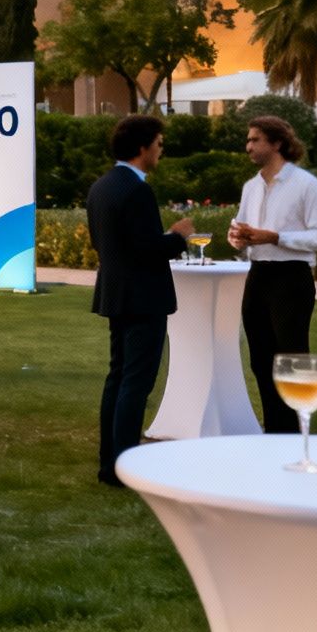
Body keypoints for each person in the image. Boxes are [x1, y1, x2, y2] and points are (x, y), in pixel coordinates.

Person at [89, 115, 194, 488]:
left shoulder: (101, 187)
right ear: (142, 148)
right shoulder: (137, 190)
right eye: (159, 144)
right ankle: (124, 466)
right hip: (143, 296)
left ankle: (110, 462)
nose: (160, 151)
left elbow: (107, 243)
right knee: (135, 382)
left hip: (116, 292)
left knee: (117, 377)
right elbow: (148, 248)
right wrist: (178, 237)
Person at [228, 115, 317, 433]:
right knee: (260, 359)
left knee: (291, 358)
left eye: (255, 139)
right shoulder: (251, 187)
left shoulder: (308, 186)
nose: (248, 146)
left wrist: (276, 237)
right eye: (248, 140)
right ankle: (274, 429)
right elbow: (241, 227)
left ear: (276, 143)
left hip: (291, 279)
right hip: (258, 276)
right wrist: (238, 238)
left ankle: (294, 431)